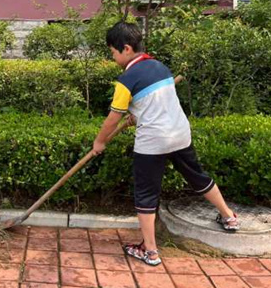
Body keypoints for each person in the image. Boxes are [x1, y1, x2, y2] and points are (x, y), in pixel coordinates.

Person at [92, 21, 239, 267]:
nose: (113, 57)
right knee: (198, 177)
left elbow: (112, 118)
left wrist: (99, 142)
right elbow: (158, 103)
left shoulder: (126, 79)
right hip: (180, 134)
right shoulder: (160, 67)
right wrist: (137, 114)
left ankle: (149, 251)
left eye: (113, 52)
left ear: (126, 49)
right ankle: (229, 216)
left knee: (146, 194)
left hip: (153, 142)